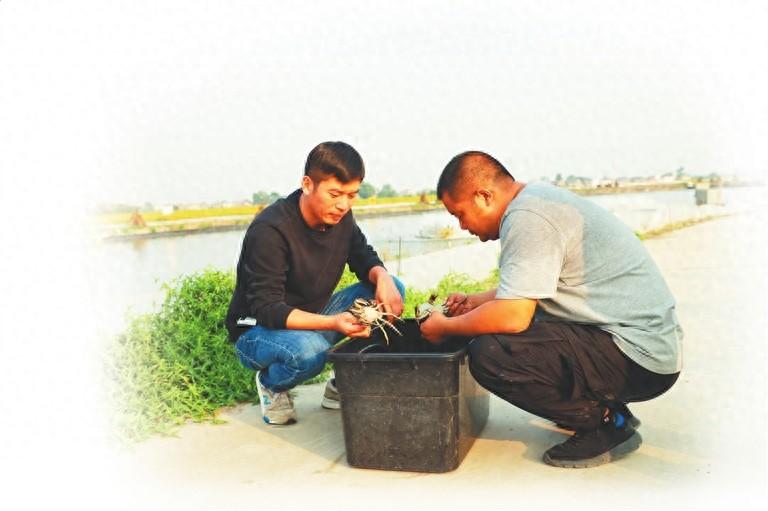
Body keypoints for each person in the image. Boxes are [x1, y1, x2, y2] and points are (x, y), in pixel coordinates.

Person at [419, 151, 682, 468]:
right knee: (506, 329)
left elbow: (513, 317)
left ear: (484, 196)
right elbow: (534, 287)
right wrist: (476, 302)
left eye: (460, 214)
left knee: (491, 351)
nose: (462, 226)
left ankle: (605, 423)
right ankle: (602, 408)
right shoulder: (535, 202)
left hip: (639, 357)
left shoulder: (528, 219)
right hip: (647, 349)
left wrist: (443, 327)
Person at [226, 141, 405, 425]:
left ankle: (340, 385)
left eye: (351, 195)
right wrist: (334, 323)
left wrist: (382, 276)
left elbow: (363, 256)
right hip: (257, 330)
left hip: (314, 316)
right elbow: (268, 308)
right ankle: (271, 384)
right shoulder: (270, 230)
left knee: (389, 290)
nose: (343, 205)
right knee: (310, 350)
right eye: (334, 194)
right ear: (307, 184)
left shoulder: (340, 217)